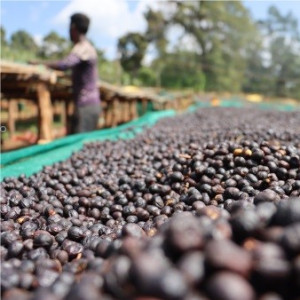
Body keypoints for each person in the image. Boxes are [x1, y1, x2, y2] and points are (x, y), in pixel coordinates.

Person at [32, 13, 101, 134]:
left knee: (81, 143)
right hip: (88, 105)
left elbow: (64, 64)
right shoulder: (86, 48)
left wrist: (39, 63)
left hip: (86, 106)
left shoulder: (83, 47)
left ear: (73, 28)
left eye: (69, 28)